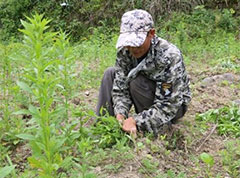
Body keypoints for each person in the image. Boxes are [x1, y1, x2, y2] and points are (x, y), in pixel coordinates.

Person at [96, 9, 191, 136]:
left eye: (137, 43)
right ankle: (106, 126)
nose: (133, 49)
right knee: (110, 74)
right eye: (129, 44)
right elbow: (120, 88)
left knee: (137, 81)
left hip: (173, 106)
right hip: (146, 95)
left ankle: (150, 129)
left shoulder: (169, 55)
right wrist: (120, 113)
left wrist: (136, 120)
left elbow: (169, 104)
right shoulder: (125, 52)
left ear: (151, 33)